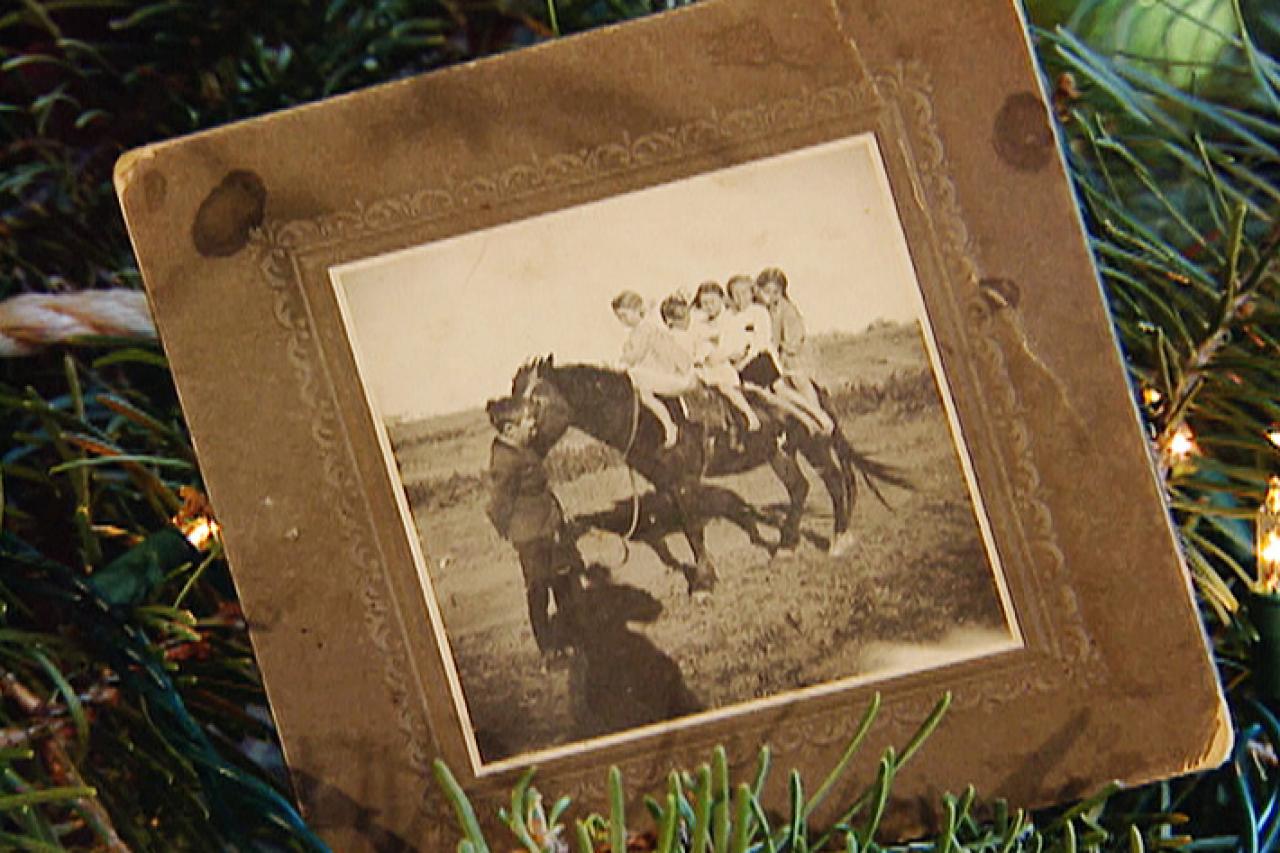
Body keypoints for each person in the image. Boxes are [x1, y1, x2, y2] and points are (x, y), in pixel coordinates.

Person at [485, 395, 580, 658]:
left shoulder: (525, 446)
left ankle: (570, 638)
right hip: (531, 535)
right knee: (539, 589)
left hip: (549, 525)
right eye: (529, 421)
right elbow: (498, 503)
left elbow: (554, 424)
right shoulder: (505, 460)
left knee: (564, 582)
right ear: (510, 430)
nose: (534, 426)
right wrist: (510, 531)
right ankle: (549, 648)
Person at [756, 267, 836, 434]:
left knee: (798, 380)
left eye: (775, 292)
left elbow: (793, 338)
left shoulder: (787, 310)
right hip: (779, 355)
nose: (770, 296)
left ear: (781, 292)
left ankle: (818, 417)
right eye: (766, 291)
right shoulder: (764, 311)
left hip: (795, 356)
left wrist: (780, 352)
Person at [612, 290, 696, 449]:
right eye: (619, 317)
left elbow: (637, 353)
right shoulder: (641, 329)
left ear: (637, 310)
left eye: (624, 315)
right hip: (665, 374)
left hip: (677, 376)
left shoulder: (645, 329)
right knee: (638, 383)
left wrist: (619, 364)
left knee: (638, 383)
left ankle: (669, 426)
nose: (622, 320)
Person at [691, 282, 761, 432]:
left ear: (722, 300)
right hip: (704, 367)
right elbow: (696, 347)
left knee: (724, 386)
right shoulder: (699, 324)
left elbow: (737, 348)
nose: (708, 307)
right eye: (704, 303)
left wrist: (719, 355)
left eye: (712, 302)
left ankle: (750, 415)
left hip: (722, 367)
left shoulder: (731, 320)